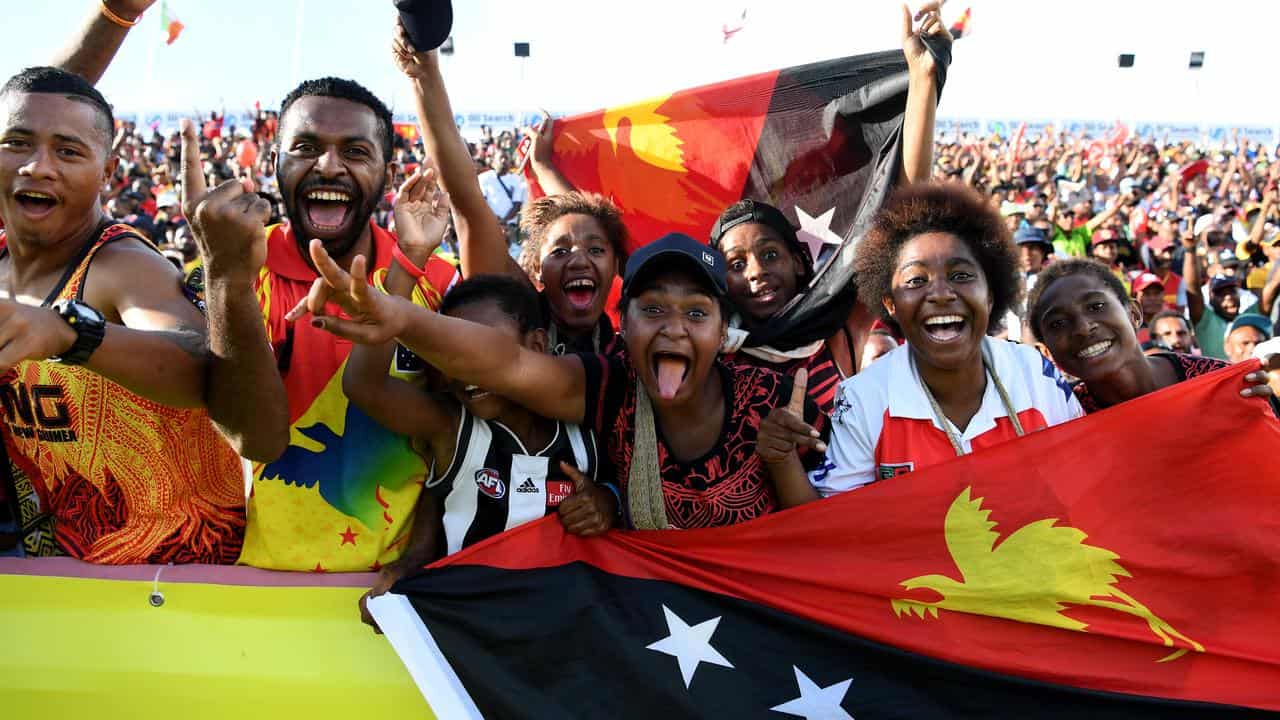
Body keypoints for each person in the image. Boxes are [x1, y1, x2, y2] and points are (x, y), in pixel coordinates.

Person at [293, 232, 829, 529]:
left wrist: (781, 460)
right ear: (626, 324)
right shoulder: (611, 386)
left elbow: (815, 539)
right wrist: (401, 317)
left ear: (724, 330)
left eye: (695, 313)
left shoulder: (774, 398)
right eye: (653, 309)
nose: (673, 327)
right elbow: (506, 365)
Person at [341, 169, 612, 628]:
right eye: (454, 354)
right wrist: (406, 265)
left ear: (537, 348)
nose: (467, 369)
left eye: (481, 351)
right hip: (470, 638)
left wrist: (606, 502)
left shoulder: (589, 428)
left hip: (567, 643)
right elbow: (364, 387)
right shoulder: (452, 428)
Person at [0, 66, 244, 563]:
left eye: (67, 151)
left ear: (107, 175)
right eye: (17, 143)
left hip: (180, 580)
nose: (36, 166)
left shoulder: (123, 266)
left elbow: (201, 365)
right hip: (60, 575)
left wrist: (69, 333)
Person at [702, 2, 952, 413]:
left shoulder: (834, 329)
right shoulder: (708, 347)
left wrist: (924, 78)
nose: (757, 271)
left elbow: (902, 204)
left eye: (770, 255)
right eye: (736, 262)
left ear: (800, 262)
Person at [810, 183, 1083, 496]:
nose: (940, 294)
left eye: (961, 275)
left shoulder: (1034, 372)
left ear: (991, 296)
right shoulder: (863, 398)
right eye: (916, 280)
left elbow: (1083, 479)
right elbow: (833, 521)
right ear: (891, 305)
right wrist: (782, 461)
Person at [390, 23, 627, 356]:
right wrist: (424, 73)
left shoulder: (635, 345)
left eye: (597, 250)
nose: (578, 260)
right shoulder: (518, 311)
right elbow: (466, 201)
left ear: (617, 264)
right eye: (559, 251)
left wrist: (544, 168)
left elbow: (582, 220)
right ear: (535, 268)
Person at [1025, 258, 1277, 413]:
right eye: (1058, 323)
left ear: (1134, 313)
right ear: (1046, 351)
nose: (1082, 327)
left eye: (1096, 306)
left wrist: (1268, 411)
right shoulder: (1063, 417)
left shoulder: (1219, 383)